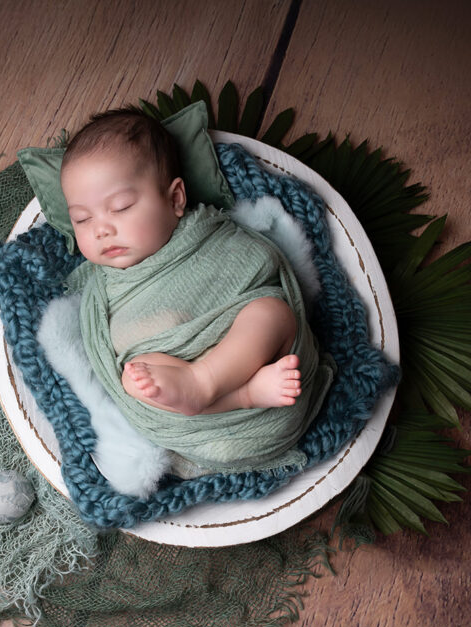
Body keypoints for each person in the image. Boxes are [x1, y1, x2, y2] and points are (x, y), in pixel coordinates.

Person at [60, 109, 305, 417]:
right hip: (201, 394)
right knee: (132, 377)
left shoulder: (208, 236)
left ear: (175, 199)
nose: (101, 230)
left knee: (273, 312)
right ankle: (243, 395)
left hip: (252, 356)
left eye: (120, 207)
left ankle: (205, 380)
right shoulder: (102, 289)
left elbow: (256, 263)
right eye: (82, 219)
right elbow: (115, 346)